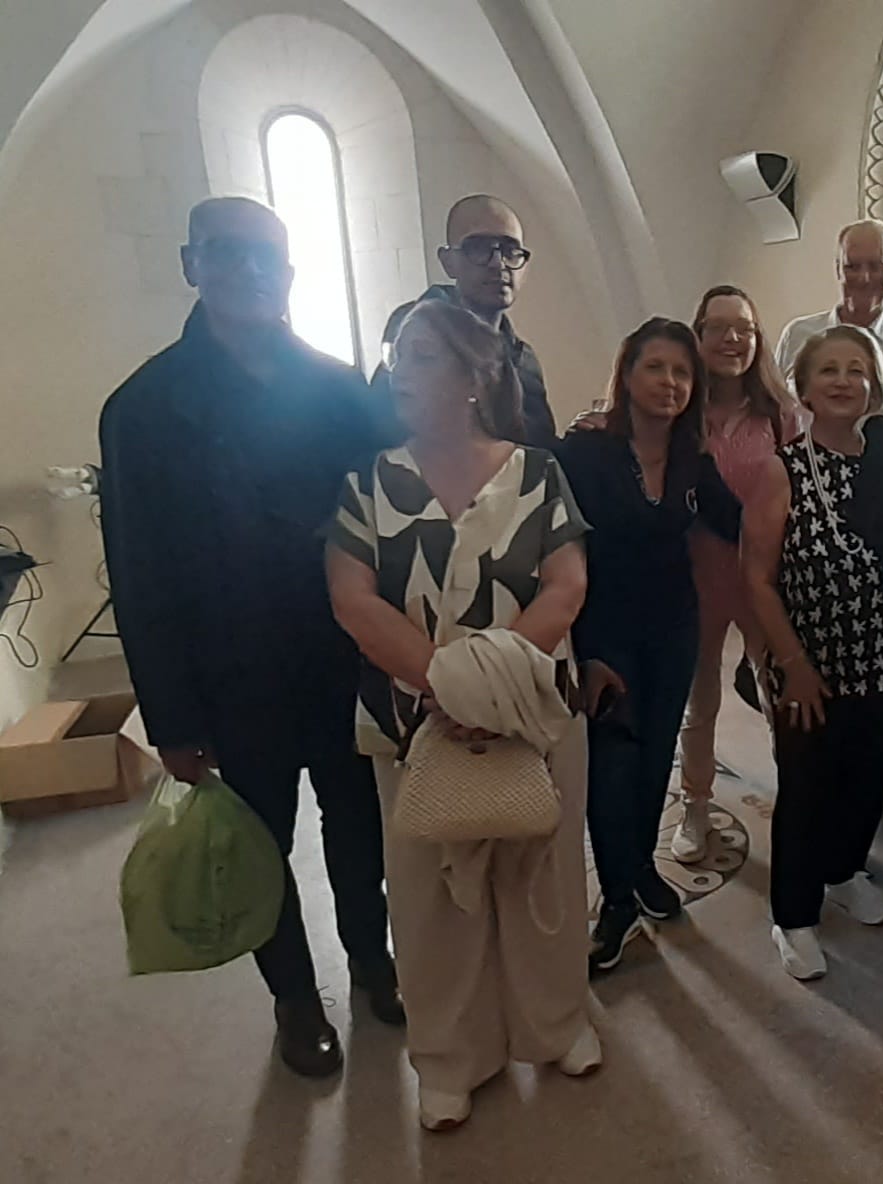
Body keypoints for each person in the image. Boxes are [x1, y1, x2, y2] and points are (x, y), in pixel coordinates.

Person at [99, 197, 400, 1079]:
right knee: (259, 841)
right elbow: (138, 572)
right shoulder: (141, 407)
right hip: (228, 673)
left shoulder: (337, 387)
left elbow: (394, 514)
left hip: (339, 656)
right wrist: (170, 718)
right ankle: (295, 1000)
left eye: (267, 255)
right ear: (190, 264)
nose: (250, 270)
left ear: (290, 272)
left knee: (358, 828)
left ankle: (373, 960)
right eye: (227, 252)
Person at [325, 299, 598, 1129]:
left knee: (542, 877)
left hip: (533, 711)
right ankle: (450, 1058)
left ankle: (557, 1024)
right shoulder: (368, 482)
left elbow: (566, 586)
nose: (400, 373)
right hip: (412, 720)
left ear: (475, 377)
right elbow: (352, 599)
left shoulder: (537, 474)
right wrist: (450, 689)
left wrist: (491, 685)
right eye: (397, 357)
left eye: (421, 357)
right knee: (428, 896)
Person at [556, 320, 742, 975]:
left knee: (654, 757)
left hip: (673, 630)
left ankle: (638, 871)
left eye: (682, 372)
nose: (669, 382)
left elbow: (741, 522)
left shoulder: (694, 460)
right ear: (627, 374)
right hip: (604, 634)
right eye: (655, 367)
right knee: (611, 767)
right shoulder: (583, 451)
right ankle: (616, 903)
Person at [743, 325, 883, 980]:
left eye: (857, 370)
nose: (844, 381)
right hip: (810, 667)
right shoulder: (783, 469)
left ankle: (845, 871)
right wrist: (793, 667)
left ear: (875, 385)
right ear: (805, 386)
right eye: (829, 370)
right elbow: (756, 577)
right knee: (805, 790)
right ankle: (793, 916)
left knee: (866, 779)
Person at [672, 286, 801, 862]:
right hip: (695, 580)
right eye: (719, 328)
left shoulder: (781, 415)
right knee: (698, 705)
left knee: (780, 698)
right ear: (698, 336)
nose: (732, 339)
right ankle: (695, 806)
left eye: (743, 329)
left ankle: (798, 802)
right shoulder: (679, 411)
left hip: (764, 584)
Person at [376, 194, 557, 448]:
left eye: (510, 251)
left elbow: (538, 448)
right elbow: (383, 433)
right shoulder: (414, 333)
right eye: (479, 248)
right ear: (448, 261)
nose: (498, 263)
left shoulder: (523, 357)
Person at [774, 219, 883, 408]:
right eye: (852, 267)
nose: (864, 278)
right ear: (838, 269)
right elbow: (776, 406)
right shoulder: (797, 335)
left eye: (876, 267)